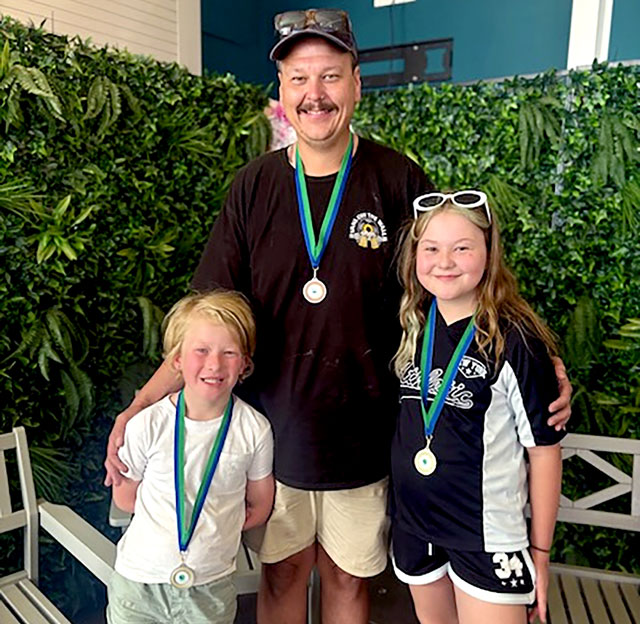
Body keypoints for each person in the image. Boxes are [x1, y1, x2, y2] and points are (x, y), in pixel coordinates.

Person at [105, 9, 572, 624]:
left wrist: (540, 361)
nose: (315, 94)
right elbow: (205, 322)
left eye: (329, 76)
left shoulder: (397, 178)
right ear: (281, 91)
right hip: (275, 438)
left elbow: (456, 269)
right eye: (299, 79)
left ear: (356, 83)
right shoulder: (253, 187)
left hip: (368, 436)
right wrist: (142, 404)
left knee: (349, 581)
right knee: (282, 576)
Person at [390, 190, 565, 624]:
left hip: (486, 536)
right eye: (431, 249)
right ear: (415, 256)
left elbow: (544, 451)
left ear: (489, 253)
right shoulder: (411, 324)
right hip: (415, 526)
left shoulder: (515, 339)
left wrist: (540, 553)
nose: (445, 262)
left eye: (462, 248)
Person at [107, 291, 274, 624]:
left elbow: (258, 506)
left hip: (211, 588)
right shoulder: (146, 425)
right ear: (177, 360)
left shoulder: (254, 430)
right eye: (201, 350)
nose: (214, 364)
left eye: (229, 352)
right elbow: (125, 499)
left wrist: (217, 527)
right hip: (139, 585)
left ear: (244, 363)